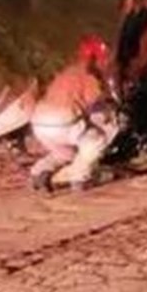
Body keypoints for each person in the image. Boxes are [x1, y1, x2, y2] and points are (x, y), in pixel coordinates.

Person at [29, 34, 120, 191]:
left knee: (66, 153)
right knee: (96, 141)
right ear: (95, 58)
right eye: (103, 57)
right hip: (62, 121)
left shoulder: (67, 72)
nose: (105, 61)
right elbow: (97, 103)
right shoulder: (90, 75)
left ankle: (39, 172)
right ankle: (80, 177)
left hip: (39, 123)